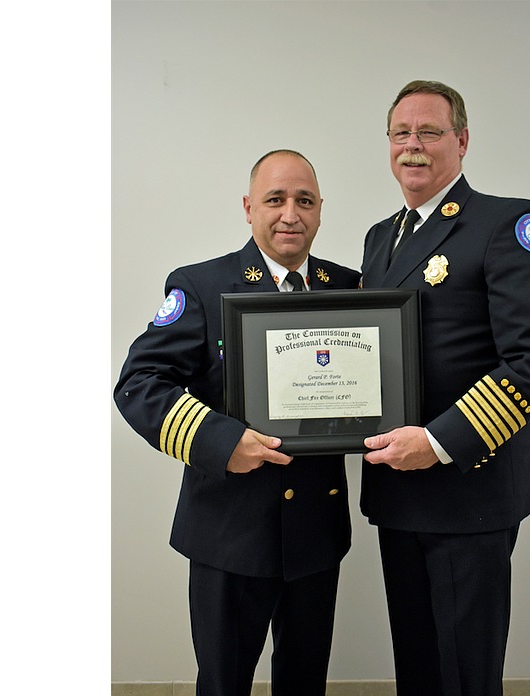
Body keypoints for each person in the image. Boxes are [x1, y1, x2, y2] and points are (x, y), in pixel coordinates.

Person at [114, 150, 360, 696]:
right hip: (228, 534)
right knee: (224, 684)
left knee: (305, 683)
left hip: (316, 534)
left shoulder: (351, 288)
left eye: (304, 201)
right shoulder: (201, 286)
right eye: (275, 200)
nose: (289, 214)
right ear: (249, 208)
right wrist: (221, 441)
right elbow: (139, 384)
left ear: (321, 211)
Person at [359, 81, 530, 695]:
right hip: (397, 486)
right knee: (419, 669)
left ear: (462, 141)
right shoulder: (380, 237)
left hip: (467, 490)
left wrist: (440, 440)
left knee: (464, 676)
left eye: (429, 132)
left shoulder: (506, 222)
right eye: (402, 134)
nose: (413, 147)